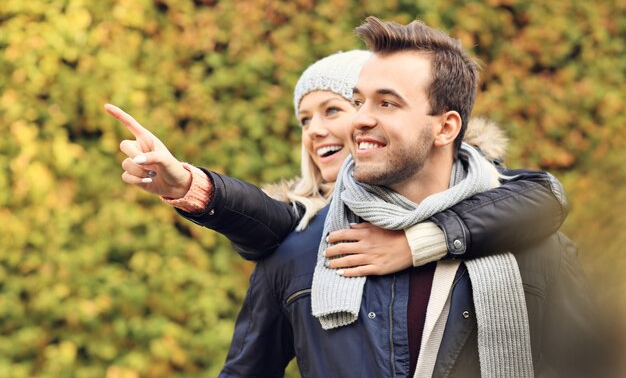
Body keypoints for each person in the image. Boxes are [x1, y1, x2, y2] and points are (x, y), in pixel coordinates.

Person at [203, 17, 608, 378]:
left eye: (387, 103)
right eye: (359, 101)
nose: (359, 119)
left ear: (446, 128)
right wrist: (195, 187)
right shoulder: (299, 253)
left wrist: (420, 243)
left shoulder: (539, 250)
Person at [105, 52, 566, 275]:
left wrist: (413, 243)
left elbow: (541, 197)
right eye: (305, 119)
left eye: (333, 111)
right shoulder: (309, 231)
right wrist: (186, 182)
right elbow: (267, 220)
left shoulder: (485, 189)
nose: (315, 131)